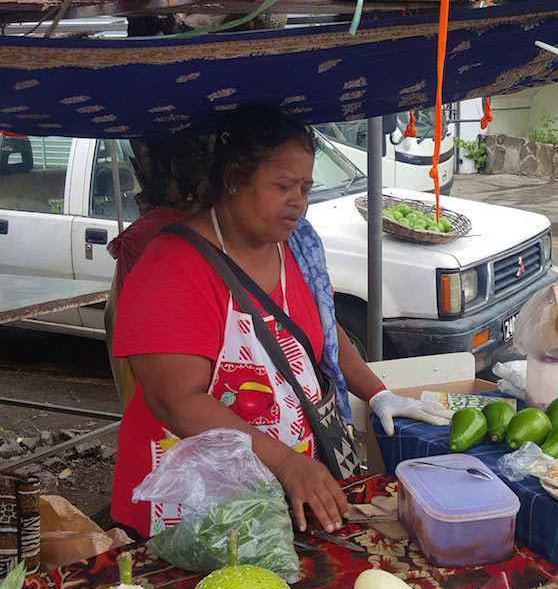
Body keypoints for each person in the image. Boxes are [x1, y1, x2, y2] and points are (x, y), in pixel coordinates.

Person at [111, 108, 449, 536]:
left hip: (280, 500)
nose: (299, 202)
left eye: (305, 187)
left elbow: (325, 333)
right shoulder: (172, 269)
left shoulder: (295, 247)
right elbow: (176, 402)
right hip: (192, 509)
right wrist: (287, 464)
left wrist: (378, 394)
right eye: (283, 186)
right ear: (234, 177)